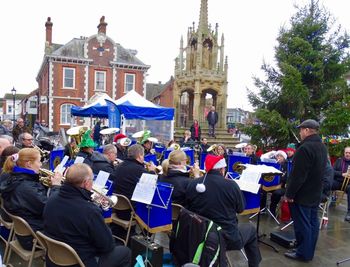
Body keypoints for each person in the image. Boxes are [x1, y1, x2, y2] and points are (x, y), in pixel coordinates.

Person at [43, 163, 131, 267]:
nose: (92, 184)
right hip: (79, 262)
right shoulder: (90, 211)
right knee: (125, 252)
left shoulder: (52, 197)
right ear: (86, 183)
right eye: (92, 180)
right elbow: (107, 246)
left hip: (54, 259)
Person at [185, 154, 261, 267]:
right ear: (222, 169)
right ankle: (254, 264)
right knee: (250, 229)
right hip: (227, 238)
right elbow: (240, 209)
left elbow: (189, 208)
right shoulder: (231, 185)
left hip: (200, 235)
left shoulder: (194, 184)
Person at [0, 148, 62, 250]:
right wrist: (56, 187)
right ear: (29, 164)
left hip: (28, 231)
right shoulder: (26, 187)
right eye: (39, 161)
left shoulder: (13, 176)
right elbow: (50, 209)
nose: (41, 164)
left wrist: (45, 184)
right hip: (34, 238)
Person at [284, 119, 328, 262]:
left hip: (302, 194)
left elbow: (298, 176)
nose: (300, 132)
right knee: (312, 224)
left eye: (301, 130)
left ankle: (303, 253)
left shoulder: (304, 148)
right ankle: (308, 251)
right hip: (315, 193)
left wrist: (289, 194)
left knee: (303, 225)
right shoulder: (322, 147)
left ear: (307, 130)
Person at [331, 146, 350, 221]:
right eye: (346, 152)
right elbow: (332, 171)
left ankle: (349, 212)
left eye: (349, 153)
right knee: (327, 183)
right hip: (338, 182)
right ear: (344, 153)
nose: (348, 154)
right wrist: (342, 174)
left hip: (348, 185)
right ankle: (321, 202)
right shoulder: (339, 161)